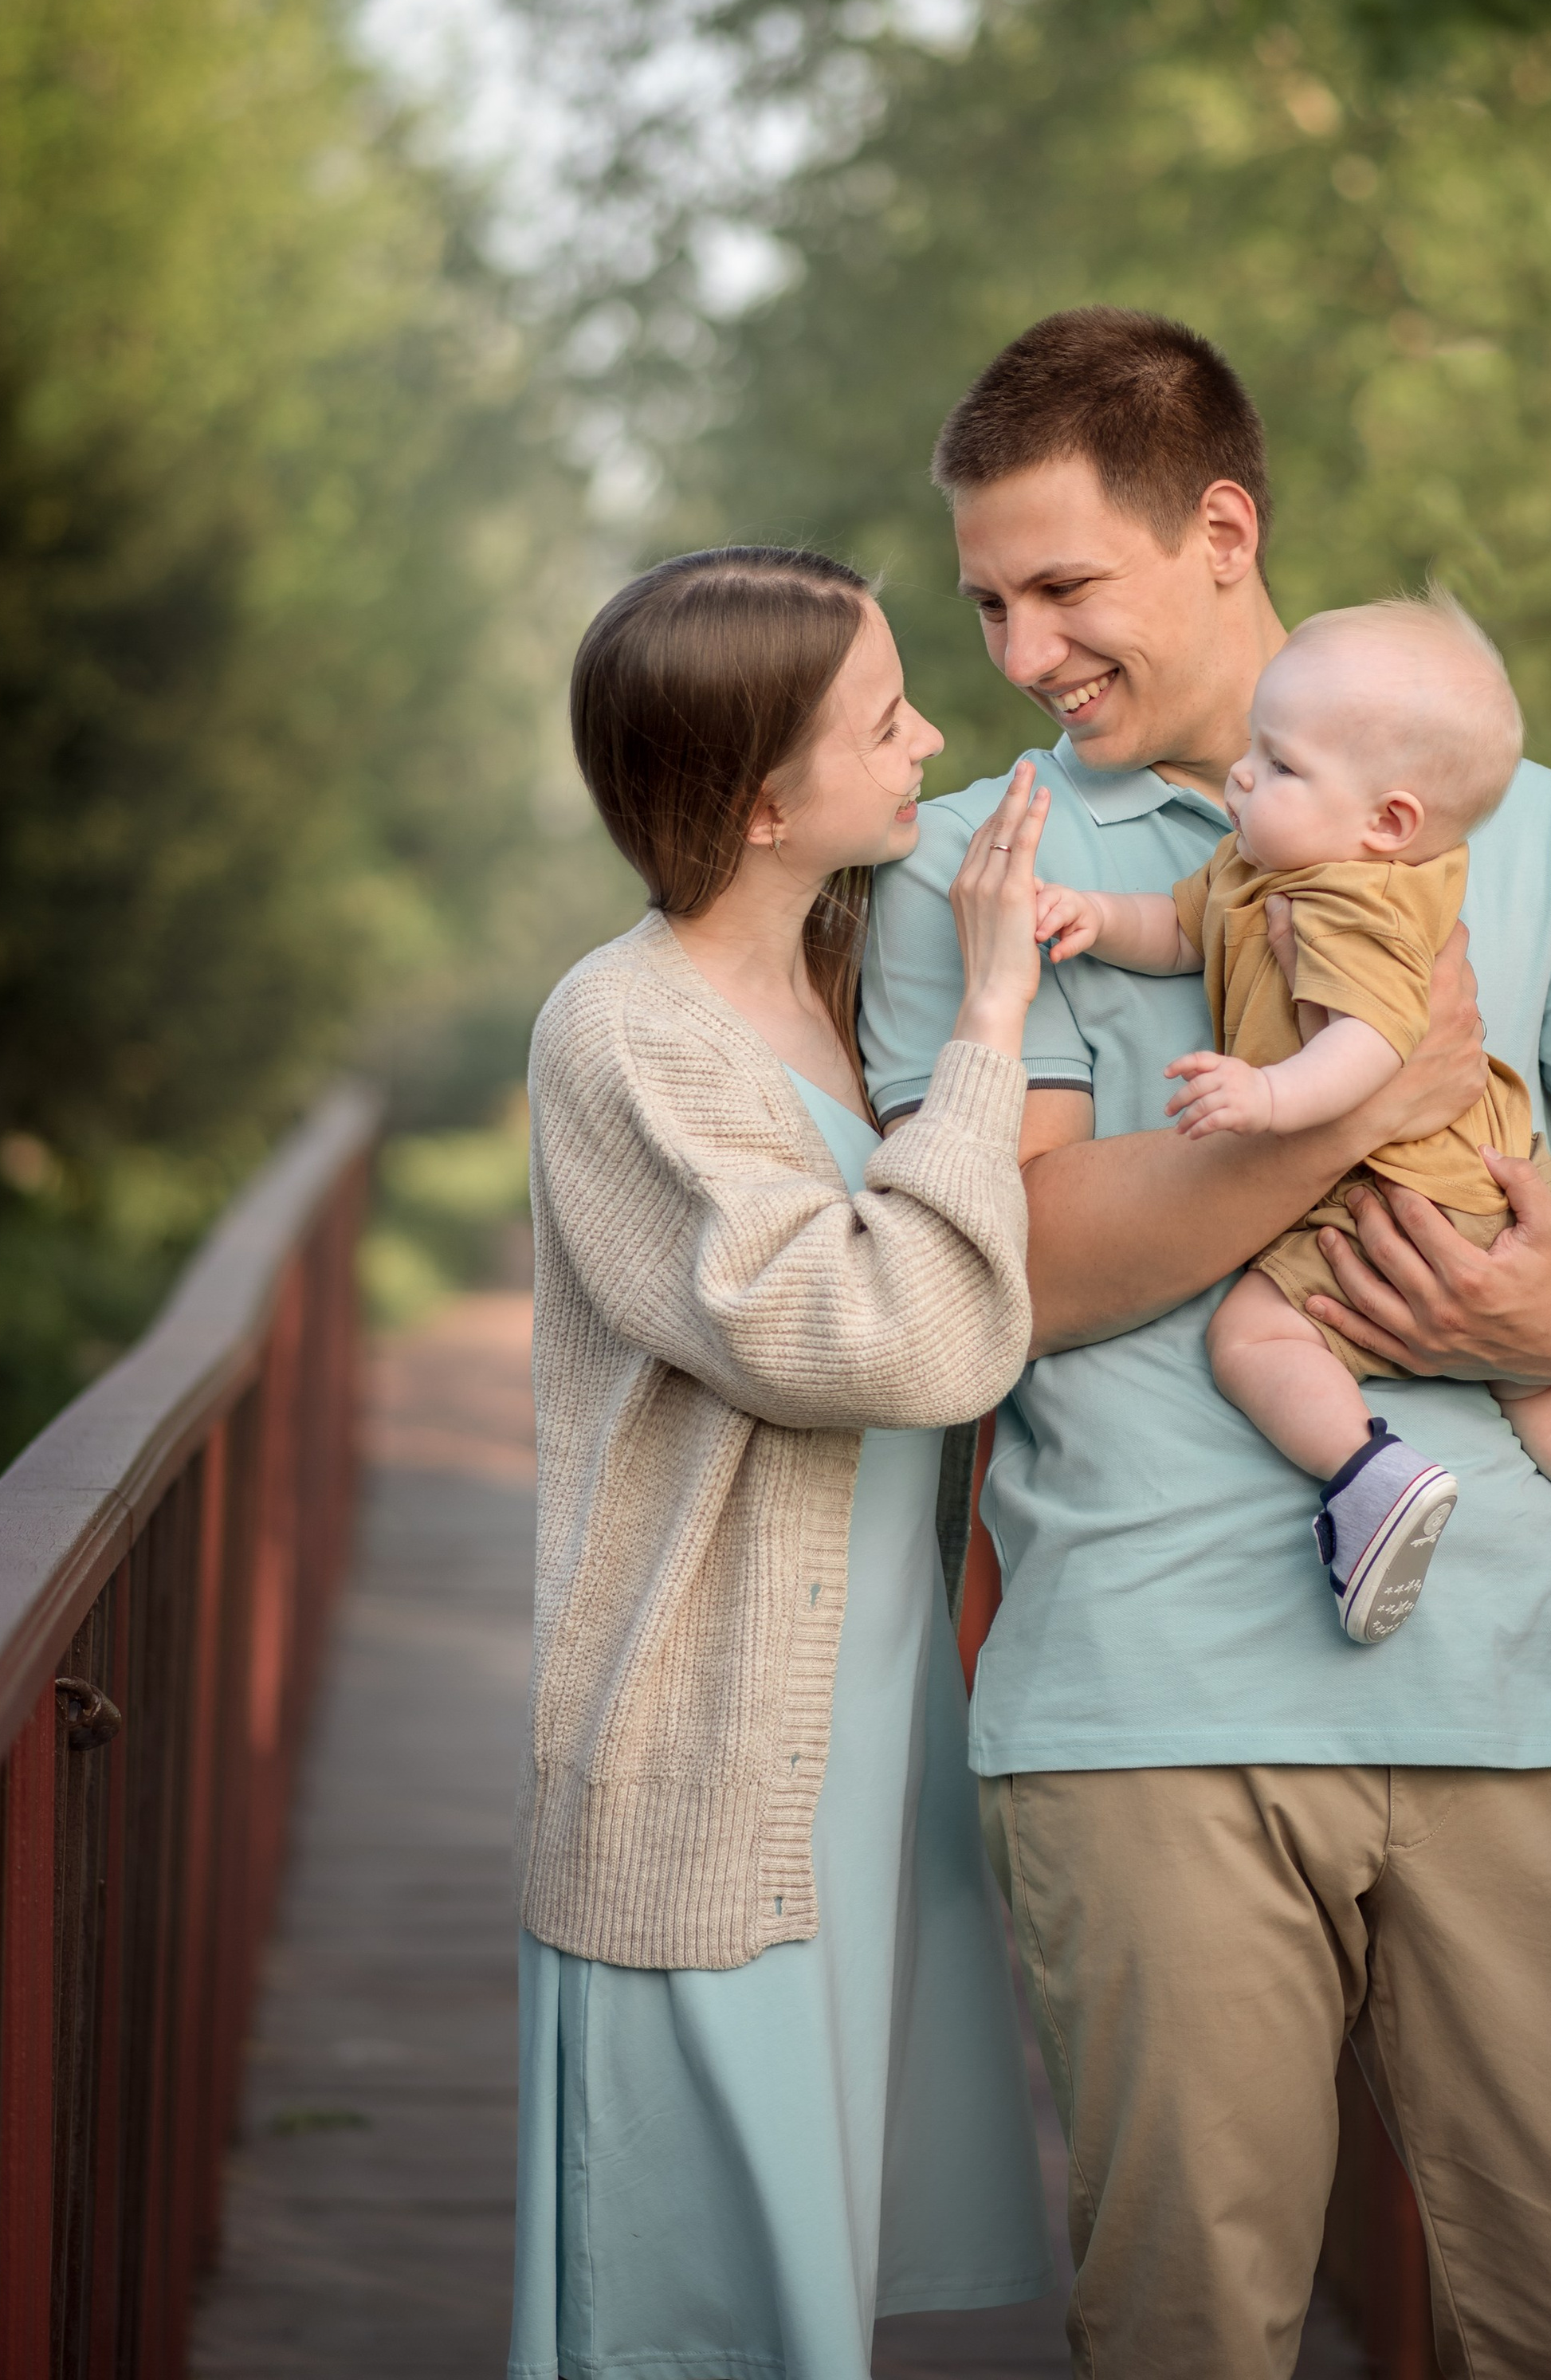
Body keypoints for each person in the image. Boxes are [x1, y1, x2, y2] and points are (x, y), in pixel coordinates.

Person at [858, 308, 1551, 2380]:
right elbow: (1011, 1260)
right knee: (1186, 2338)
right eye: (986, 603)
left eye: (1064, 587)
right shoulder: (979, 869)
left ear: (1219, 529)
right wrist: (1369, 1107)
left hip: (1528, 1701)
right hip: (1144, 1711)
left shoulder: (1547, 827)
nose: (1021, 654)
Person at [508, 546, 1055, 2380]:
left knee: (812, 2273)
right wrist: (989, 1031)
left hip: (867, 1722)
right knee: (701, 2304)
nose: (928, 740)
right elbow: (869, 1338)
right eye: (882, 718)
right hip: (710, 1736)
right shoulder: (624, 1029)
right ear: (757, 800)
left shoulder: (837, 962)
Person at [1035, 591, 1551, 1719]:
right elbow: (1179, 925)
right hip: (1487, 1207)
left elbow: (1379, 1046)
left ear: (1387, 822)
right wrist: (1093, 912)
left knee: (1254, 1332)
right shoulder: (1260, 868)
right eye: (1253, 752)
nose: (1242, 779)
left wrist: (1268, 1092)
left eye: (1279, 767)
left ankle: (1367, 1478)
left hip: (1393, 1200)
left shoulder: (1353, 900)